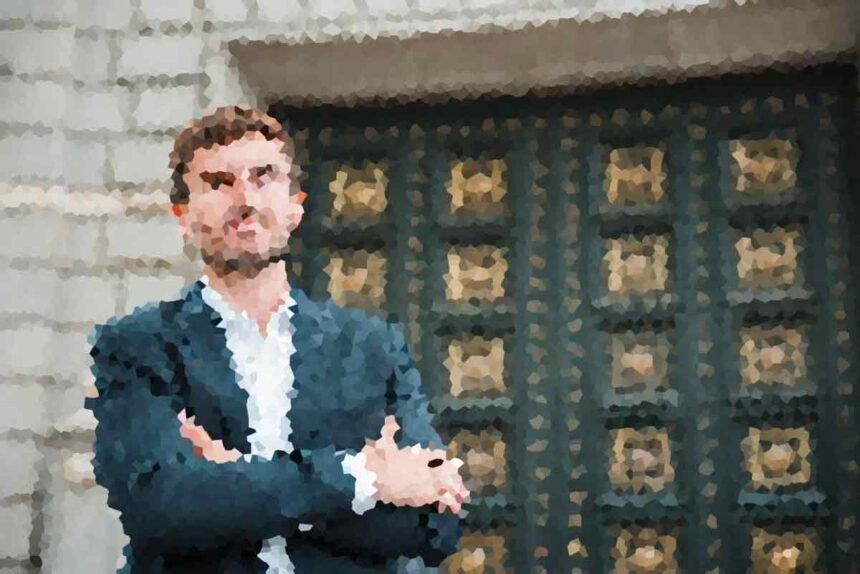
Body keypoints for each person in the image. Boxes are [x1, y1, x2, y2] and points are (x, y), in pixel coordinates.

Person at [86, 106, 469, 573]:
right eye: (219, 182)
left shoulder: (373, 349)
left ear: (296, 204)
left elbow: (434, 525)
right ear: (182, 216)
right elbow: (160, 508)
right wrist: (363, 479)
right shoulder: (137, 347)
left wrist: (236, 481)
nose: (245, 198)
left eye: (263, 176)